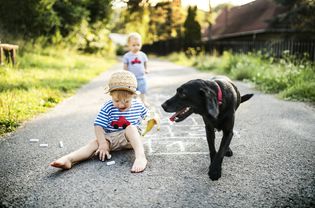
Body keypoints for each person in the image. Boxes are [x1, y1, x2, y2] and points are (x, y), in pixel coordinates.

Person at [50, 71, 148, 173]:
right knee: (93, 144)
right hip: (111, 139)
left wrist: (152, 120)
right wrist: (102, 143)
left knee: (131, 128)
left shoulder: (139, 105)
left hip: (131, 139)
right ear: (111, 95)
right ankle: (69, 159)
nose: (121, 105)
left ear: (133, 95)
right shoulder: (108, 107)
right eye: (117, 101)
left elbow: (147, 117)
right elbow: (98, 126)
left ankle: (140, 157)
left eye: (126, 101)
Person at [123, 32, 150, 107]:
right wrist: (125, 73)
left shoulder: (142, 55)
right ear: (129, 45)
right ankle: (134, 102)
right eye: (133, 45)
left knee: (142, 90)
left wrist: (146, 69)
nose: (136, 47)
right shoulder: (127, 56)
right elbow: (125, 65)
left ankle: (143, 101)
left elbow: (145, 63)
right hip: (132, 78)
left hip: (141, 77)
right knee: (133, 90)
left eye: (138, 45)